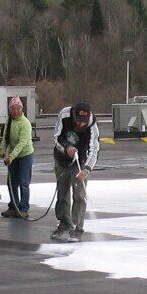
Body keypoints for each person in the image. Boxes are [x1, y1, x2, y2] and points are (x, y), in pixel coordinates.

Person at [51, 102, 99, 240]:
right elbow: (57, 137)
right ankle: (64, 223)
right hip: (62, 158)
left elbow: (94, 149)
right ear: (73, 115)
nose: (81, 124)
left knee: (79, 195)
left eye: (83, 122)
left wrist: (87, 169)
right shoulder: (64, 115)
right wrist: (66, 148)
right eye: (78, 121)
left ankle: (78, 228)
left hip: (81, 161)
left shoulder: (92, 126)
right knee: (62, 192)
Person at [0, 95, 34, 219]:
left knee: (24, 182)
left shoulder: (25, 123)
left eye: (17, 108)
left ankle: (24, 209)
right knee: (11, 182)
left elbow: (22, 144)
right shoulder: (9, 121)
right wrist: (3, 150)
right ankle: (14, 206)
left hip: (25, 155)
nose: (15, 111)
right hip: (13, 156)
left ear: (21, 109)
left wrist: (11, 156)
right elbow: (5, 137)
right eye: (12, 109)